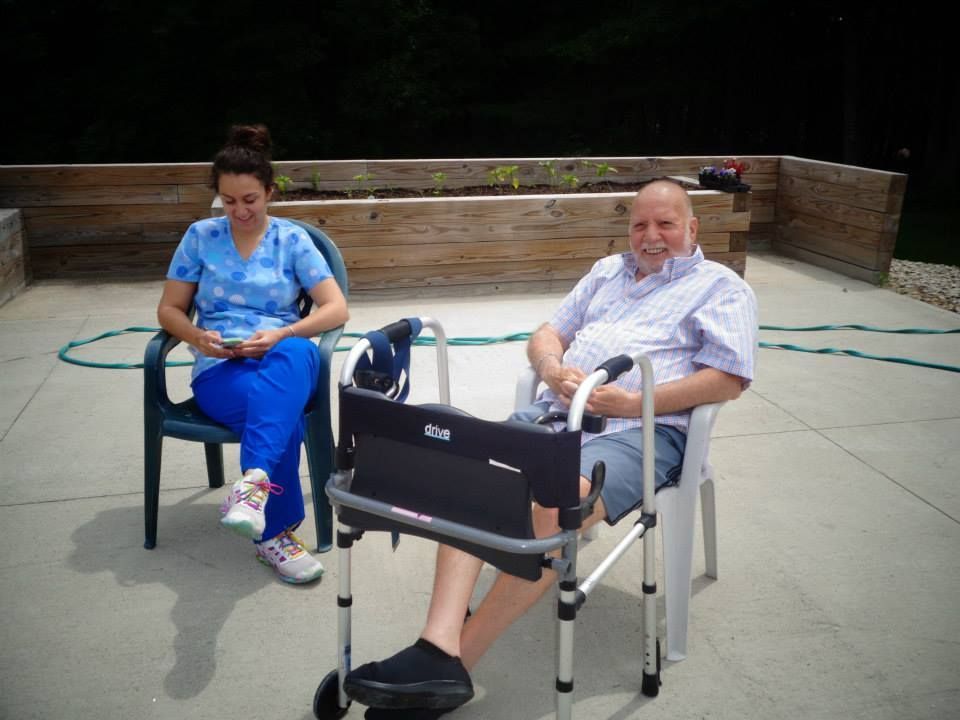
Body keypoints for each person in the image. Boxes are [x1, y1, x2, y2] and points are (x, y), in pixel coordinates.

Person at [343, 179, 758, 718]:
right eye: (639, 224)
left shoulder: (721, 288)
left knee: (551, 505)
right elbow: (547, 332)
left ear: (692, 227)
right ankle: (436, 647)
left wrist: (632, 403)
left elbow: (728, 379)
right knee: (469, 478)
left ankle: (455, 662)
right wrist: (552, 368)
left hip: (645, 430)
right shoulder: (608, 271)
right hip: (559, 415)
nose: (650, 236)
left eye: (665, 224)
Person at [156, 124, 349, 584]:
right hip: (222, 368)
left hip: (281, 354)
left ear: (269, 192)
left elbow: (336, 306)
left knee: (294, 355)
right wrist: (198, 337)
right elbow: (169, 309)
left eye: (250, 199)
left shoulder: (293, 240)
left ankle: (255, 492)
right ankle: (273, 532)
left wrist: (284, 331)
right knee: (278, 414)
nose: (240, 210)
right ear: (218, 198)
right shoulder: (200, 237)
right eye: (229, 201)